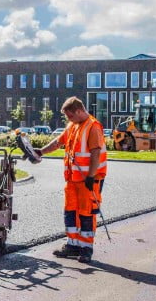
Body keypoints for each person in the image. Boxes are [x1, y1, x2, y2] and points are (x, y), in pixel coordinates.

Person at [33, 97, 107, 263]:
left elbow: (95, 153)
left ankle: (86, 248)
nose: (69, 119)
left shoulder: (93, 127)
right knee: (71, 212)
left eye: (70, 116)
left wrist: (91, 176)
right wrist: (41, 152)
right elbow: (58, 142)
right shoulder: (73, 126)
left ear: (79, 111)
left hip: (89, 180)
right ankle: (73, 245)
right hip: (73, 180)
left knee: (86, 213)